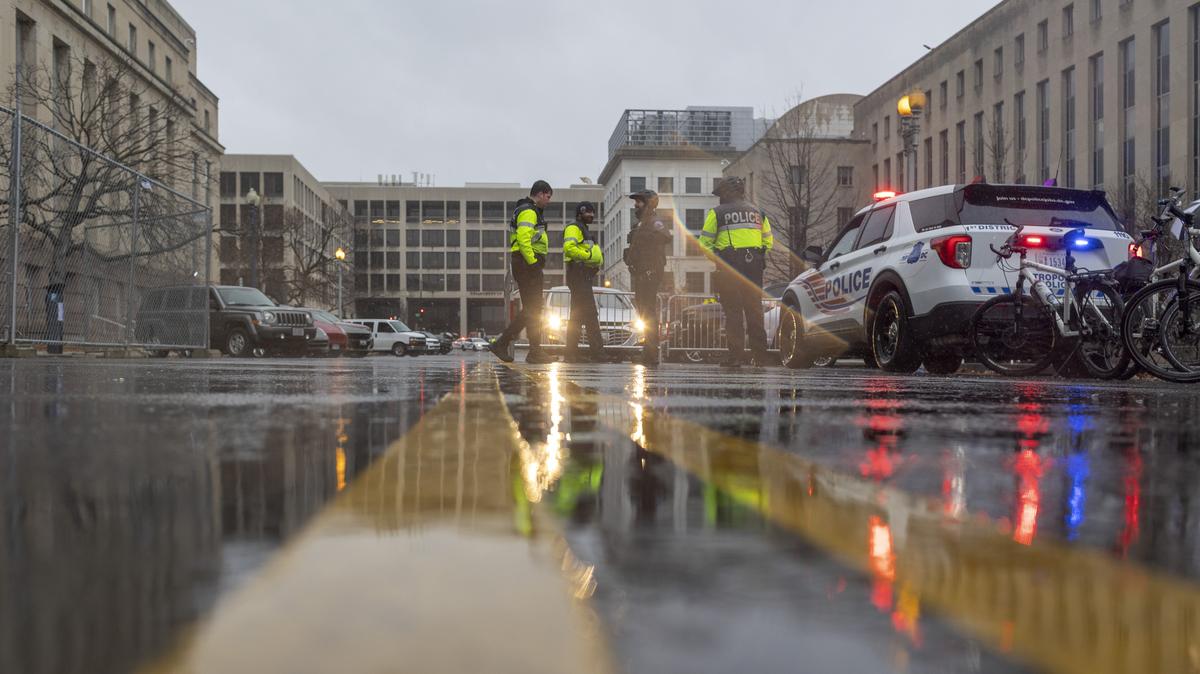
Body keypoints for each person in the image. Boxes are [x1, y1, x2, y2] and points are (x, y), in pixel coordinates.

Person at [699, 176, 774, 368]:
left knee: (733, 313)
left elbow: (704, 244)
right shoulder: (759, 212)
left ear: (725, 193)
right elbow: (768, 242)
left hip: (729, 267)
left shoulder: (717, 213)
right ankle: (761, 357)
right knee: (754, 311)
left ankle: (736, 357)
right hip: (754, 266)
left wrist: (719, 260)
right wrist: (757, 255)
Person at [491, 180, 556, 364]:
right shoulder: (529, 211)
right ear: (541, 194)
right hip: (528, 265)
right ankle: (503, 343)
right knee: (532, 310)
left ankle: (534, 351)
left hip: (526, 264)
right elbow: (523, 238)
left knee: (533, 310)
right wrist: (533, 262)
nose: (548, 201)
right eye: (548, 196)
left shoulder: (529, 210)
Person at [624, 189, 672, 367]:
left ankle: (651, 354)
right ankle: (648, 351)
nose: (636, 205)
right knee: (644, 313)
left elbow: (666, 236)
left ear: (649, 203)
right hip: (640, 273)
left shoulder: (654, 222)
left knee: (649, 312)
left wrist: (646, 238)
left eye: (639, 202)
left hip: (650, 273)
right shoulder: (641, 223)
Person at [562, 202, 607, 363]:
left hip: (582, 276)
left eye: (593, 213)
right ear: (580, 212)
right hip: (578, 275)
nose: (592, 216)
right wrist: (588, 257)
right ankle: (597, 354)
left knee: (578, 316)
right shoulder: (574, 228)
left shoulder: (584, 230)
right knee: (590, 315)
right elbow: (569, 248)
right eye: (589, 212)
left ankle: (572, 354)